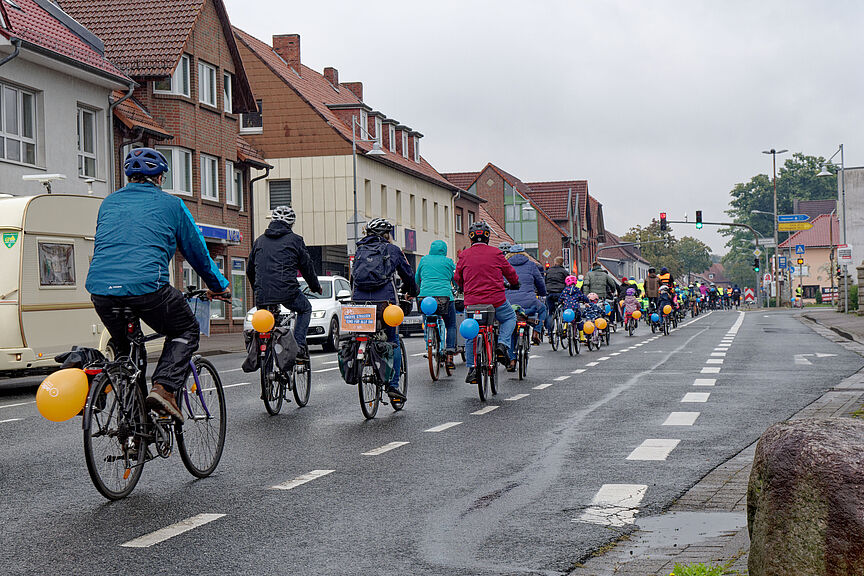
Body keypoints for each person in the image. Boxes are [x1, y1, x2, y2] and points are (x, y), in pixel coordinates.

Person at [86, 148, 231, 422]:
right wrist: (219, 285)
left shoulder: (108, 203)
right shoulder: (172, 205)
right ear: (160, 177)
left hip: (101, 290)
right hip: (147, 288)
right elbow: (196, 252)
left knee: (128, 350)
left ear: (129, 176)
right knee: (186, 329)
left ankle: (133, 421)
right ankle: (164, 389)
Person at [351, 218, 417, 400]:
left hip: (360, 304)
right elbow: (407, 274)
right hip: (385, 304)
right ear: (387, 235)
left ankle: (361, 357)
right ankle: (394, 386)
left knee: (360, 335)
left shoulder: (359, 250)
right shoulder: (393, 250)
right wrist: (412, 291)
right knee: (393, 339)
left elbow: (353, 278)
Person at [247, 206, 322, 362]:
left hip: (263, 294)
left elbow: (250, 270)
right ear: (291, 224)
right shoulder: (296, 240)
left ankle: (263, 353)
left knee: (267, 325)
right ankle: (299, 346)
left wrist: (258, 290)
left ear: (272, 221)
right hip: (288, 292)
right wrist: (315, 286)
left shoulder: (259, 240)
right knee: (305, 308)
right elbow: (307, 267)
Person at [455, 221, 520, 382]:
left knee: (472, 332)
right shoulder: (496, 253)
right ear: (488, 237)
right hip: (495, 301)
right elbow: (510, 273)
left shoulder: (464, 255)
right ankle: (503, 345)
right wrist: (514, 283)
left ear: (470, 238)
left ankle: (472, 369)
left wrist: (463, 287)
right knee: (510, 318)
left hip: (472, 302)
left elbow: (457, 277)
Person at [415, 239, 457, 370]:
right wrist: (456, 287)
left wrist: (421, 288)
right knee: (451, 325)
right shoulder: (449, 262)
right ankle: (450, 354)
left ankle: (428, 341)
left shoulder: (424, 260)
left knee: (427, 318)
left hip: (425, 297)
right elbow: (454, 279)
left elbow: (417, 278)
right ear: (444, 250)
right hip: (445, 297)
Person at [505, 245, 548, 345]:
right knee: (542, 309)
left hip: (509, 302)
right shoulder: (531, 265)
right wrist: (542, 293)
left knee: (510, 327)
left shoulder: (505, 265)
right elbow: (540, 282)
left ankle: (512, 360)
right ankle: (536, 331)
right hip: (529, 301)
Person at [544, 257, 568, 338]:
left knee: (550, 313)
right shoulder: (564, 272)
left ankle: (550, 333)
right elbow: (568, 283)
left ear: (555, 262)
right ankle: (563, 327)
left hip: (550, 293)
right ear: (562, 263)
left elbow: (545, 281)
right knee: (564, 309)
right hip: (560, 294)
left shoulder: (549, 271)